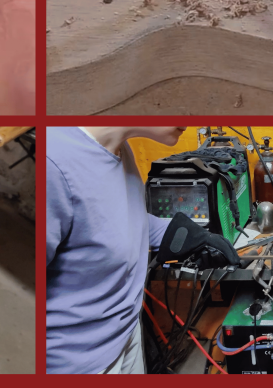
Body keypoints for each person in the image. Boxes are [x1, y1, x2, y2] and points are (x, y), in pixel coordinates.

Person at [46, 127, 242, 374]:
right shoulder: (53, 165)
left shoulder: (119, 148)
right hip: (78, 365)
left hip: (125, 336)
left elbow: (114, 219)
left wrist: (184, 235)